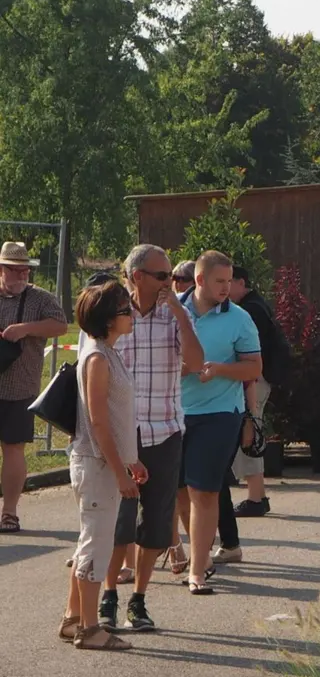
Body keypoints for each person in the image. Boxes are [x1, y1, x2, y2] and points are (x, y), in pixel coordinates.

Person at [95, 246, 204, 633]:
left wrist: (178, 311)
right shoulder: (113, 314)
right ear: (137, 276)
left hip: (165, 430)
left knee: (156, 524)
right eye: (162, 276)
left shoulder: (176, 314)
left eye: (172, 276)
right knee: (118, 521)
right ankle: (109, 595)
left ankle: (139, 599)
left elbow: (197, 363)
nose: (169, 283)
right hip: (122, 435)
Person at [59, 280, 145, 650]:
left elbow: (117, 416)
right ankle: (90, 628)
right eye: (126, 311)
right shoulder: (96, 358)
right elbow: (98, 421)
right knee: (97, 545)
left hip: (105, 462)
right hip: (96, 464)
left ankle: (73, 618)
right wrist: (120, 471)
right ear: (109, 319)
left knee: (90, 540)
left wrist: (132, 459)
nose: (132, 316)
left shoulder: (109, 353)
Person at [178, 251, 261, 593]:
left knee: (205, 491)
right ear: (200, 280)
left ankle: (197, 570)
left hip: (219, 414)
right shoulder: (172, 311)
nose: (227, 287)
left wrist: (220, 369)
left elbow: (254, 367)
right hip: (172, 413)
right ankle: (201, 556)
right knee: (179, 490)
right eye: (219, 281)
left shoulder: (240, 318)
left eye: (229, 281)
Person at [0, 241, 69, 534]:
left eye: (24, 270)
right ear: (1, 270)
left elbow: (61, 325)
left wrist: (26, 329)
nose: (20, 276)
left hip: (21, 386)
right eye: (14, 270)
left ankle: (9, 513)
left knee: (13, 448)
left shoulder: (40, 298)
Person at [227, 266, 284, 519]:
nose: (224, 288)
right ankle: (258, 495)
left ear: (241, 282)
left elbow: (248, 352)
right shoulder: (256, 305)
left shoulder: (248, 311)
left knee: (249, 433)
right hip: (259, 378)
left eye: (228, 282)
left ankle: (254, 498)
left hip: (253, 380)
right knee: (252, 431)